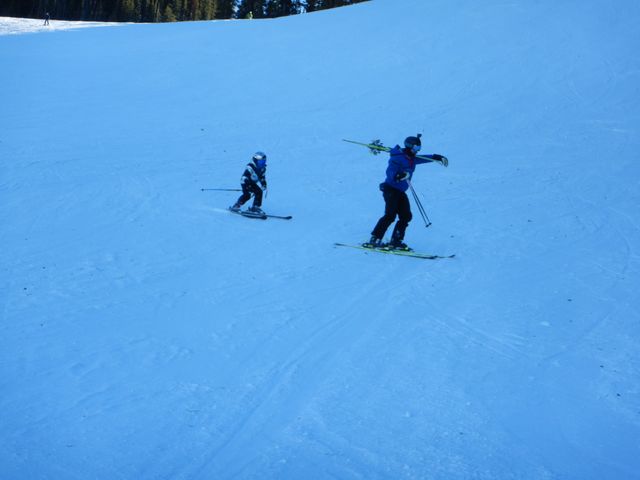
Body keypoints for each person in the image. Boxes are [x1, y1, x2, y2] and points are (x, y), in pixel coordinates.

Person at [366, 134, 446, 250]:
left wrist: (435, 157)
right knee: (390, 215)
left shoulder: (412, 158)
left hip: (400, 191)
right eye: (416, 148)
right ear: (409, 146)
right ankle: (375, 239)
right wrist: (398, 176)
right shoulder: (397, 157)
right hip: (391, 189)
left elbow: (423, 158)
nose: (418, 150)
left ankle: (395, 241)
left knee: (406, 216)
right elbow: (390, 171)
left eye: (419, 148)